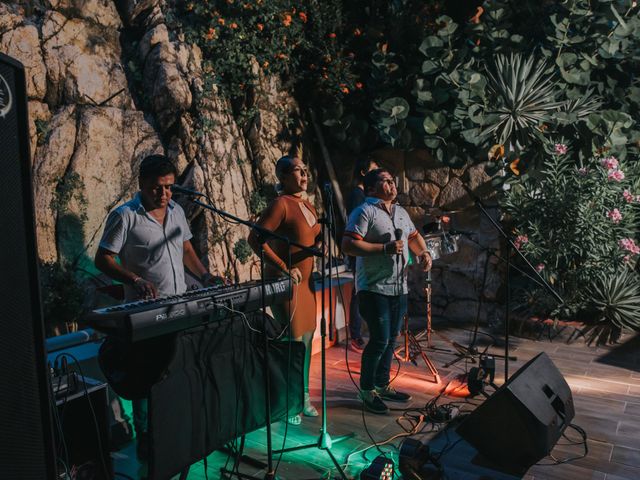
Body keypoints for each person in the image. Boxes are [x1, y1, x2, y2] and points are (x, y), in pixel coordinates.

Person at [95, 154, 221, 460]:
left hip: (178, 308)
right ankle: (148, 447)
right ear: (141, 184)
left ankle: (175, 435)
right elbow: (103, 259)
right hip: (145, 314)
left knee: (178, 371)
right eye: (157, 188)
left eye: (168, 187)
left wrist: (204, 276)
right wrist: (135, 279)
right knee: (146, 380)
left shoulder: (176, 210)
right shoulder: (125, 216)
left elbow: (186, 248)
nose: (164, 194)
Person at [342, 168, 432, 414]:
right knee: (379, 339)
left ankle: (382, 384)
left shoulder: (401, 212)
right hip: (374, 287)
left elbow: (414, 238)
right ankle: (367, 390)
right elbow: (349, 244)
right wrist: (384, 249)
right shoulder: (364, 211)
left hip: (398, 287)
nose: (393, 183)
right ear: (372, 188)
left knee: (391, 339)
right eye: (387, 180)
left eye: (393, 180)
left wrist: (423, 253)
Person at [247, 155, 322, 425]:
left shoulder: (307, 205)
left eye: (305, 170)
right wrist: (282, 267)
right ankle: (285, 401)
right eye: (297, 171)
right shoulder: (281, 205)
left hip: (308, 285)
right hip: (287, 284)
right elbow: (255, 238)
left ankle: (302, 396)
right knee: (291, 342)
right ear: (283, 176)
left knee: (306, 342)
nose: (304, 175)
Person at [346, 156, 379, 353]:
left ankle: (359, 334)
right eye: (373, 171)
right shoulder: (357, 195)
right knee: (358, 294)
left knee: (360, 293)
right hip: (359, 251)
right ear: (363, 173)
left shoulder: (362, 195)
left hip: (363, 251)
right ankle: (355, 336)